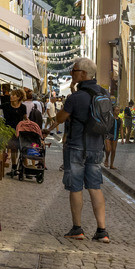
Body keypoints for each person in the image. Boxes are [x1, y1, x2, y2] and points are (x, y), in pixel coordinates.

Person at [53, 58, 111, 243]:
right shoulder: (104, 93)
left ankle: (77, 228)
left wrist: (70, 98)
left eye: (74, 70)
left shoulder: (75, 98)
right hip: (97, 146)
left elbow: (60, 118)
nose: (72, 73)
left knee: (76, 187)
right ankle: (102, 230)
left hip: (76, 146)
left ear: (84, 74)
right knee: (95, 187)